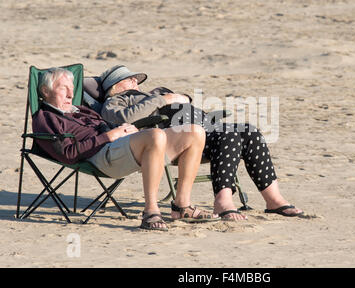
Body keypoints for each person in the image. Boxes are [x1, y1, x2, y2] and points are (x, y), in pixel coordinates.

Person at [100, 65, 304, 221]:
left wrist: (176, 98)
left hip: (203, 128)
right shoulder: (115, 101)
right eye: (129, 79)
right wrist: (164, 99)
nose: (136, 81)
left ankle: (274, 200)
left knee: (249, 131)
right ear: (114, 87)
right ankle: (223, 201)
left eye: (136, 79)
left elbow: (185, 102)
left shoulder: (150, 94)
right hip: (178, 141)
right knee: (229, 137)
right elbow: (124, 118)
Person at [32, 67, 219, 231]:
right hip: (100, 156)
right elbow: (68, 154)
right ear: (45, 91)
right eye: (63, 88)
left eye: (72, 89)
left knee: (195, 132)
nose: (70, 95)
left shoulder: (81, 110)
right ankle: (150, 211)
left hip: (121, 145)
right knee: (155, 135)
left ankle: (182, 206)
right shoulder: (46, 118)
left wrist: (129, 131)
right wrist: (110, 135)